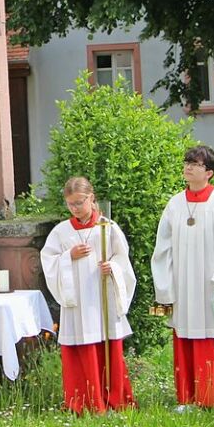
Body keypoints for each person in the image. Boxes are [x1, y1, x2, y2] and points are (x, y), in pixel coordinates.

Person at [151, 144, 214, 411]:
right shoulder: (175, 204)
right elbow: (162, 249)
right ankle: (189, 396)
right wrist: (165, 291)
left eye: (195, 164)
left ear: (209, 172)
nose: (188, 167)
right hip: (184, 285)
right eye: (187, 162)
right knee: (187, 333)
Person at [41, 177, 136, 414]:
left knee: (107, 344)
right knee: (79, 349)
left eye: (80, 202)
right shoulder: (61, 232)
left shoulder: (107, 228)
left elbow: (122, 260)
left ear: (91, 198)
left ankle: (113, 398)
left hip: (101, 298)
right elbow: (48, 261)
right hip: (78, 303)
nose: (75, 208)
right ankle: (83, 400)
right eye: (70, 204)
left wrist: (112, 268)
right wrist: (68, 256)